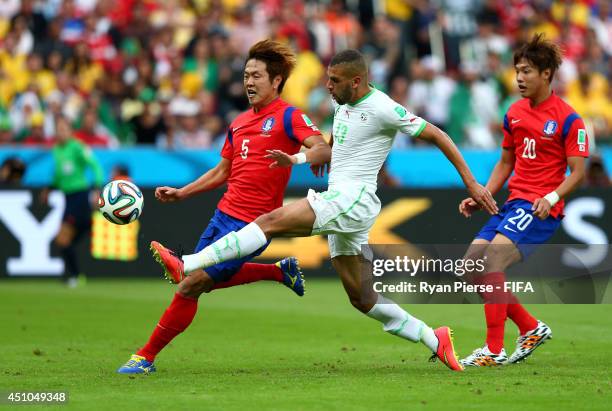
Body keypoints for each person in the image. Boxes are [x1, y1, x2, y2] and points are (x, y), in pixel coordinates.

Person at [151, 49, 498, 372]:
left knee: (269, 220)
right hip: (343, 202)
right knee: (361, 297)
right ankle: (432, 337)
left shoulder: (382, 107)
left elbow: (437, 135)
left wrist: (470, 182)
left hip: (353, 199)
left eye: (334, 81)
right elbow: (343, 137)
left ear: (356, 81)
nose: (327, 86)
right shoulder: (343, 103)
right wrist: (328, 149)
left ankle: (188, 262)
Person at [117, 40, 331, 374]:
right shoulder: (240, 121)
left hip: (253, 226)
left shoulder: (290, 116)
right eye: (246, 75)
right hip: (223, 214)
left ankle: (145, 357)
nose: (249, 82)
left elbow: (322, 147)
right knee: (199, 282)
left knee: (190, 284)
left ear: (276, 81)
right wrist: (183, 193)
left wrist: (301, 158)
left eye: (257, 75)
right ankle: (277, 271)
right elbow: (223, 171)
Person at [457, 34, 589, 367]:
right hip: (514, 202)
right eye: (517, 71)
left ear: (547, 74)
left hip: (540, 207)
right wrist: (483, 193)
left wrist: (552, 195)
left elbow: (578, 173)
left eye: (527, 71)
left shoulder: (569, 119)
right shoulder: (513, 112)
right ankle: (530, 328)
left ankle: (493, 348)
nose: (519, 78)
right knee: (471, 266)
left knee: (492, 260)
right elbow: (506, 162)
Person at [40, 116, 104, 288]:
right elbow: (58, 175)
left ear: (70, 131)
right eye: (58, 129)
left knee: (62, 239)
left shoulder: (77, 147)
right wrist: (49, 188)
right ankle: (74, 275)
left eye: (64, 129)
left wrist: (97, 188)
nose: (61, 133)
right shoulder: (56, 150)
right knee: (64, 241)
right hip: (68, 198)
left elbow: (95, 165)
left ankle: (76, 276)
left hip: (80, 196)